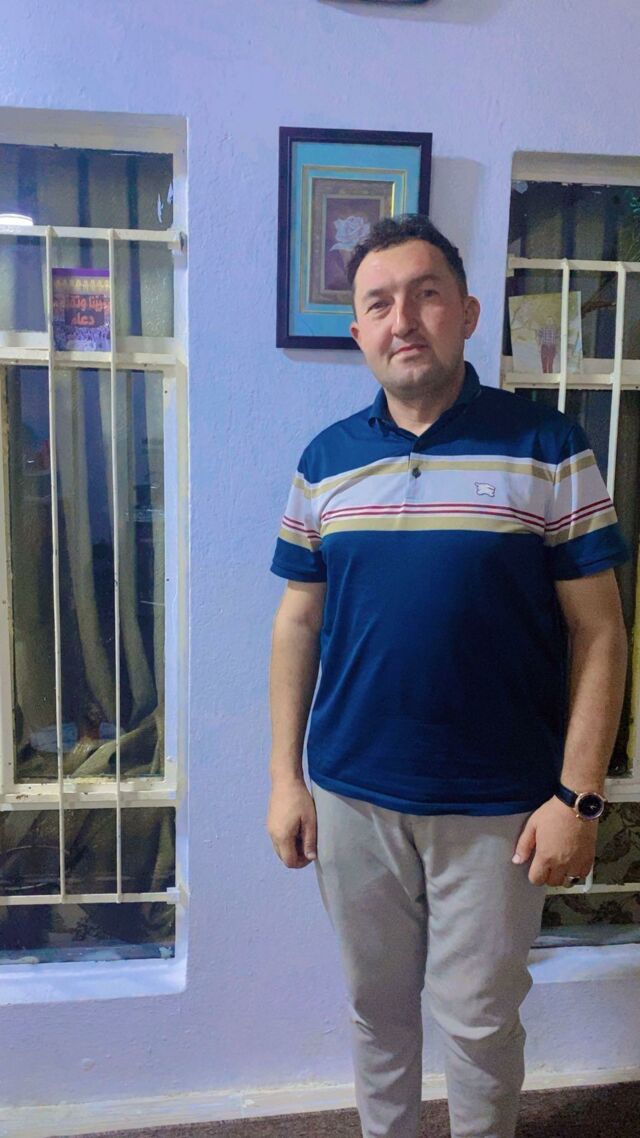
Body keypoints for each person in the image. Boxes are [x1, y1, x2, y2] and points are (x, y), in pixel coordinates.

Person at [267, 215, 628, 1138]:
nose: (404, 320)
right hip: (352, 796)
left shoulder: (548, 446)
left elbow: (601, 632)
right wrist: (285, 780)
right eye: (380, 303)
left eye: (426, 295)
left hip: (499, 804)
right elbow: (297, 624)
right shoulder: (324, 463)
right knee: (376, 1014)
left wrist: (578, 796)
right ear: (358, 331)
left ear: (466, 313)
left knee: (478, 1023)